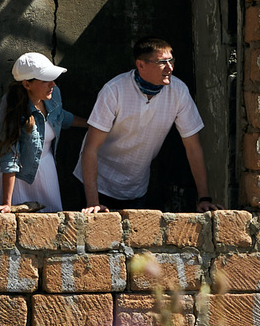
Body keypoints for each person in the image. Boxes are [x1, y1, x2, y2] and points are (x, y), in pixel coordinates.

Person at [80, 37, 214, 213]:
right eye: (162, 62)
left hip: (136, 188)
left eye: (171, 60)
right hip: (97, 185)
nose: (170, 67)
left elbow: (193, 148)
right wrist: (93, 202)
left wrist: (204, 198)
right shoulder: (114, 90)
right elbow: (90, 148)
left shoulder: (179, 91)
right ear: (141, 65)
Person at [0, 52, 76, 212]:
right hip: (18, 178)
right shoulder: (12, 105)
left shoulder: (53, 94)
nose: (53, 85)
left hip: (47, 172)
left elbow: (61, 117)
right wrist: (7, 204)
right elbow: (10, 152)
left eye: (53, 79)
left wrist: (95, 125)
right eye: (45, 80)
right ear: (26, 84)